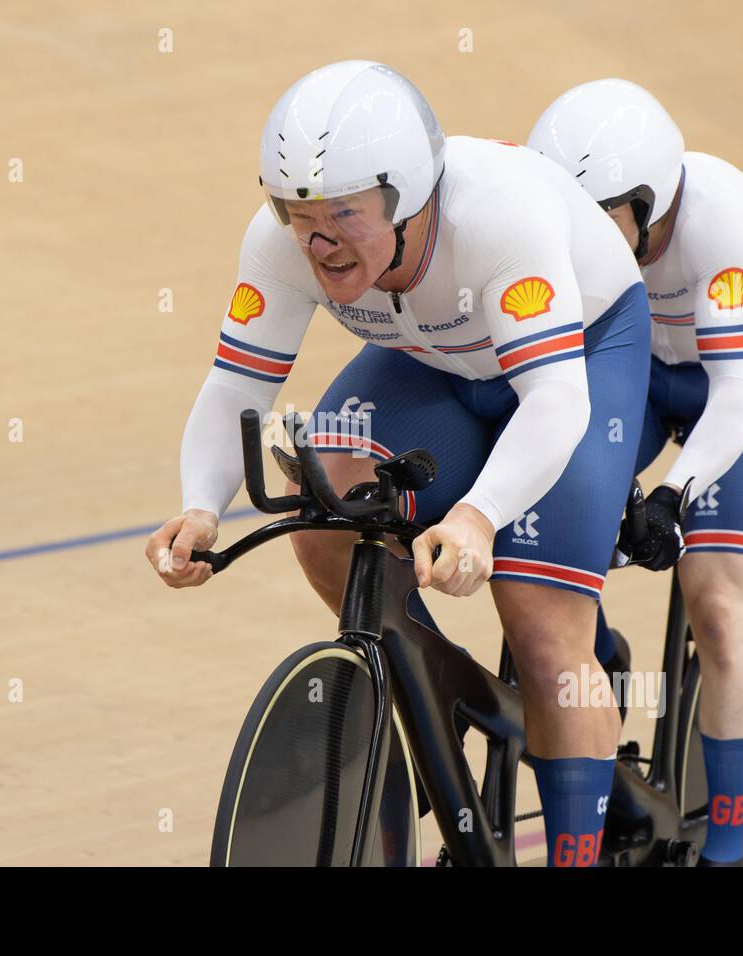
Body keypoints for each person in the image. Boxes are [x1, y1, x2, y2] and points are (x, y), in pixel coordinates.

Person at [146, 61, 651, 866]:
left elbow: (555, 401)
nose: (318, 240)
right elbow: (236, 380)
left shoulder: (499, 217)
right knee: (320, 508)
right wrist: (201, 503)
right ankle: (439, 689)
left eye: (344, 213)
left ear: (409, 198)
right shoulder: (279, 245)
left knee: (544, 629)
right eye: (296, 212)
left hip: (579, 357)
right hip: (439, 362)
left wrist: (480, 518)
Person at [528, 78, 743, 865]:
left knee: (714, 601)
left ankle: (724, 852)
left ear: (650, 201)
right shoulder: (590, 220)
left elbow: (738, 392)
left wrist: (676, 494)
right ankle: (598, 654)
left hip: (733, 372)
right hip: (637, 371)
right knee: (563, 527)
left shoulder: (723, 216)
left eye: (600, 217)